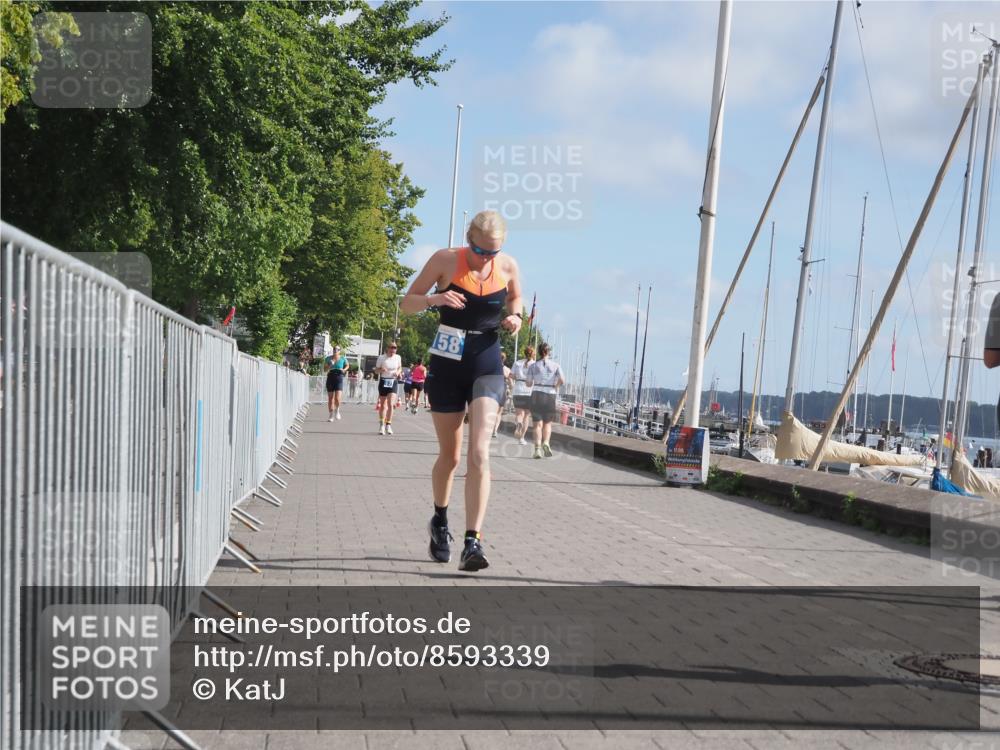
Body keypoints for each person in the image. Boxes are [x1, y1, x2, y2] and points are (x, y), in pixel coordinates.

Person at [399, 210, 522, 572]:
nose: (486, 258)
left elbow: (516, 299)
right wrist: (436, 300)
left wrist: (515, 317)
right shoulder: (445, 260)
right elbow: (407, 304)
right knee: (450, 458)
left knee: (480, 453)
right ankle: (439, 521)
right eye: (480, 251)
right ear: (469, 240)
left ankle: (473, 542)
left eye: (493, 252)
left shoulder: (509, 265)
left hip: (486, 361)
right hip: (447, 363)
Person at [526, 343, 565, 459]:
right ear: (549, 352)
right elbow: (562, 379)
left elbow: (528, 383)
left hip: (537, 394)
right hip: (550, 395)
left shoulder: (533, 366)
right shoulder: (556, 365)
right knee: (547, 423)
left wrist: (531, 382)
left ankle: (537, 450)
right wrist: (556, 385)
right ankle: (546, 442)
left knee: (537, 424)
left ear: (538, 352)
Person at [374, 343, 402, 435]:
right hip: (383, 381)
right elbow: (376, 370)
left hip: (393, 381)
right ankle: (381, 425)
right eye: (392, 347)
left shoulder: (398, 357)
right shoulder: (382, 358)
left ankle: (388, 425)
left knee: (391, 404)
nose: (393, 349)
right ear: (388, 348)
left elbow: (399, 368)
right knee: (383, 405)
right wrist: (381, 370)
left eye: (395, 348)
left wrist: (398, 372)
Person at [509, 345, 535, 445]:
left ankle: (518, 423)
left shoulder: (517, 363)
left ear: (524, 353)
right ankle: (522, 438)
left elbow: (510, 375)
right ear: (533, 354)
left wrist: (516, 379)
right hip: (529, 391)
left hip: (518, 389)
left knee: (519, 414)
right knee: (527, 416)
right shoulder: (535, 365)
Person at [324, 345, 349, 422]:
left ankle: (337, 411)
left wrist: (344, 369)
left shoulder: (343, 358)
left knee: (337, 398)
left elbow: (347, 365)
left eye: (337, 349)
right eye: (334, 349)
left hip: (339, 377)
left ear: (339, 351)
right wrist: (329, 365)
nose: (335, 350)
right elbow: (325, 369)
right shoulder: (328, 358)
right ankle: (331, 415)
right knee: (330, 398)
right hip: (331, 376)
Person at [492, 352, 512, 438]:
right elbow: (511, 383)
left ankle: (488, 428)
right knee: (499, 412)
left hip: (491, 388)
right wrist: (510, 389)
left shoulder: (491, 367)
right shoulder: (507, 370)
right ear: (504, 359)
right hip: (502, 389)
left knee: (491, 410)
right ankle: (495, 431)